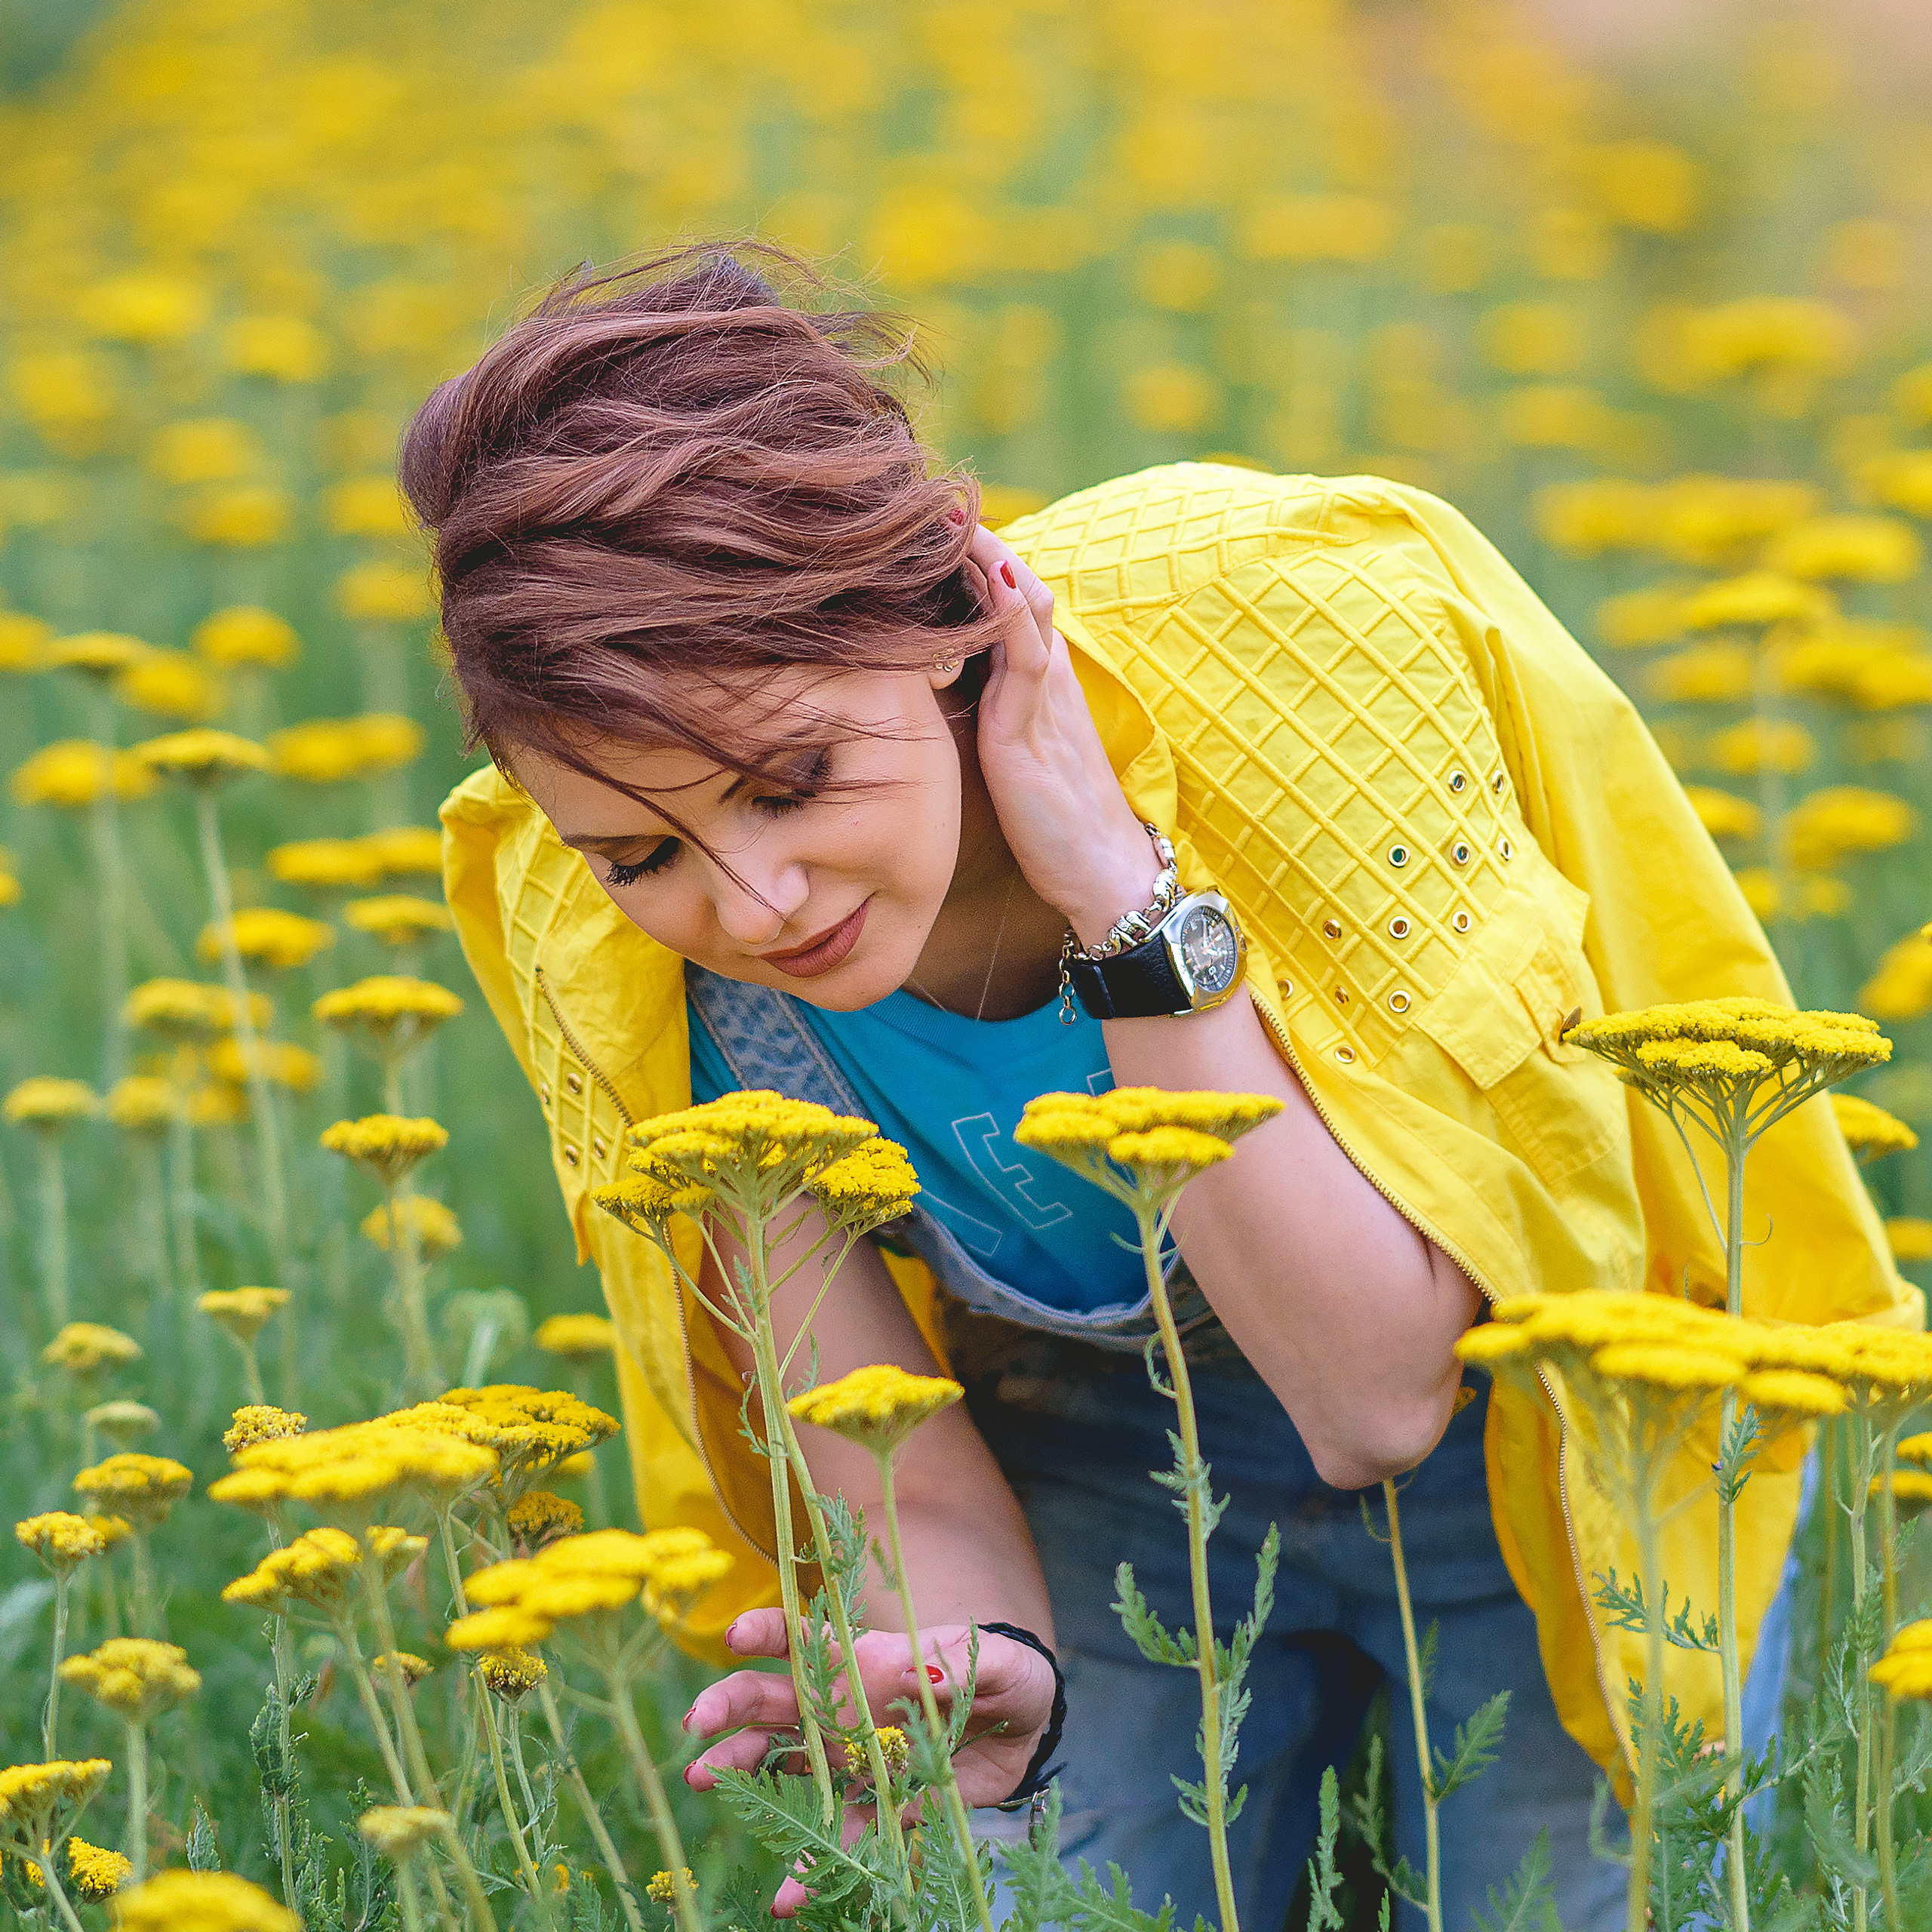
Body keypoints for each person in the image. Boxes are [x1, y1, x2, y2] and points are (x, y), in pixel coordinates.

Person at [411, 245, 1910, 1927]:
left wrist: (1117, 898)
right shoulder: (619, 965)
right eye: (639, 850)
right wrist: (984, 1674)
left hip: (1525, 1414)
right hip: (1086, 1458)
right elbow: (893, 1459)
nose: (753, 905)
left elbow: (1375, 1399)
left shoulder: (1289, 674)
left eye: (792, 778)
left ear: (950, 614)